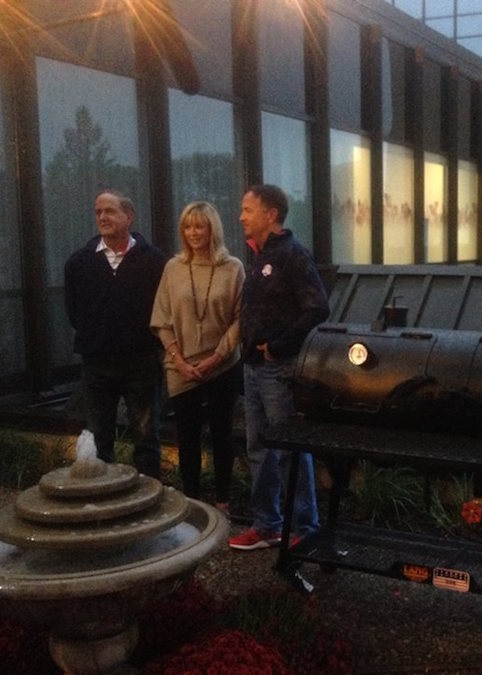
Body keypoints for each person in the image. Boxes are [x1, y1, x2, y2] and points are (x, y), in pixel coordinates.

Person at [228, 184, 330, 550]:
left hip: (279, 370)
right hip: (253, 369)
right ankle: (268, 525)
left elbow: (318, 307)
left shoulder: (292, 255)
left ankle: (305, 528)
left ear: (270, 214)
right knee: (258, 448)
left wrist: (280, 345)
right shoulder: (259, 256)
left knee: (289, 450)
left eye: (247, 209)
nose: (241, 216)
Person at [64, 189, 166, 478]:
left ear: (129, 216)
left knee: (147, 438)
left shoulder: (154, 261)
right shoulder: (79, 263)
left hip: (141, 362)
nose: (102, 217)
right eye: (98, 212)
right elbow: (73, 311)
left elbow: (163, 307)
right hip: (96, 365)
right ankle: (106, 505)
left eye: (109, 211)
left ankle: (150, 502)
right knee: (99, 439)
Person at [150, 202, 244, 511]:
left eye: (199, 226)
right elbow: (161, 320)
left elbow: (240, 320)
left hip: (222, 366)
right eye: (188, 227)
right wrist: (178, 360)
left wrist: (216, 358)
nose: (193, 233)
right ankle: (191, 501)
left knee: (221, 434)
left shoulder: (233, 268)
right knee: (186, 437)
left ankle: (222, 500)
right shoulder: (172, 268)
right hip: (181, 366)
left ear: (212, 229)